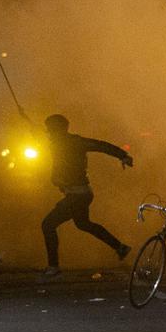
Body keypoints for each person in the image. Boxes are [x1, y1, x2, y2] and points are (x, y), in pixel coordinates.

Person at [40, 114, 133, 278]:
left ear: (59, 129)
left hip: (78, 194)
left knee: (48, 225)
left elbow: (99, 145)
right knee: (83, 224)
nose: (48, 132)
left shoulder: (74, 142)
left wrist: (122, 155)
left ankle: (53, 266)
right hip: (78, 193)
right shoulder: (57, 143)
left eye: (50, 129)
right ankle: (120, 247)